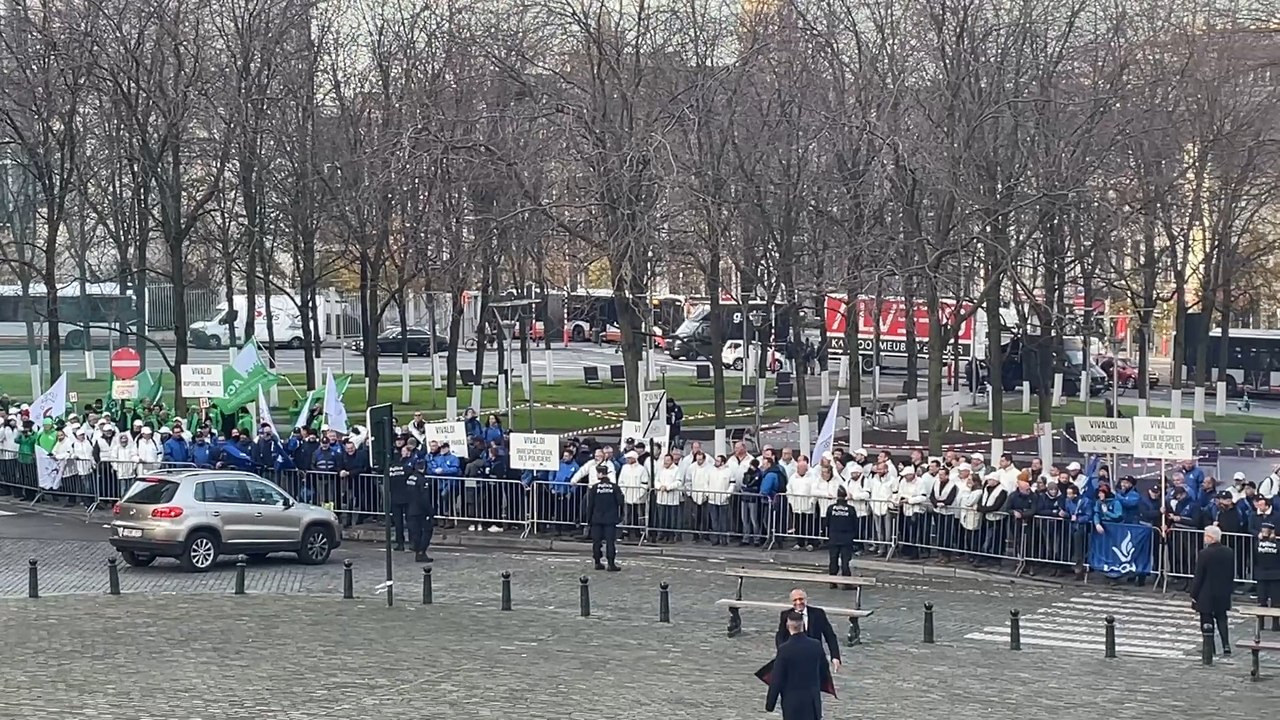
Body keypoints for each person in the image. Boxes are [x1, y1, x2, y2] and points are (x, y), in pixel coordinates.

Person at [765, 611, 831, 720]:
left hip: (792, 703)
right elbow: (824, 670)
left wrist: (770, 704)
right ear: (803, 625)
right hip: (812, 702)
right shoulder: (815, 645)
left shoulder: (785, 649)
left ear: (788, 626)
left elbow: (777, 678)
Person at [1190, 524, 1236, 656]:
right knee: (1222, 618)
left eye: (1206, 536)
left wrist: (1194, 594)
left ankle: (1210, 647)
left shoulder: (1204, 554)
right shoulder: (1229, 552)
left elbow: (1199, 576)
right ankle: (1226, 645)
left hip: (1206, 592)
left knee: (1206, 619)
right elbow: (1231, 573)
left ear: (1211, 538)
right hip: (1223, 591)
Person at [774, 589, 841, 670]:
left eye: (801, 599)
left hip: (815, 657)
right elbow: (780, 636)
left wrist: (835, 656)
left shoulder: (818, 613)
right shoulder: (785, 615)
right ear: (791, 601)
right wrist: (782, 654)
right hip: (795, 658)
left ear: (806, 599)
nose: (798, 602)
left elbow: (830, 635)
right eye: (795, 600)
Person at [585, 463, 624, 571]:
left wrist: (588, 519)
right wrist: (620, 516)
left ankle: (597, 562)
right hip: (610, 518)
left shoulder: (595, 488)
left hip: (596, 518)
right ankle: (611, 564)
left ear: (600, 474)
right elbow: (620, 502)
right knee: (610, 542)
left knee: (596, 542)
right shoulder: (614, 487)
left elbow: (590, 505)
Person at [825, 486, 857, 588]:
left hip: (834, 537)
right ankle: (846, 583)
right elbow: (855, 524)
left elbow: (827, 523)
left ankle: (832, 581)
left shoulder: (831, 508)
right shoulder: (851, 509)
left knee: (833, 560)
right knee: (845, 561)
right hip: (846, 538)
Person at [406, 458, 436, 563]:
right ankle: (421, 552)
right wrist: (430, 511)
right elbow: (424, 498)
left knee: (416, 532)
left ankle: (417, 551)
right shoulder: (422, 480)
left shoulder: (410, 478)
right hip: (420, 510)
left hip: (410, 509)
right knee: (427, 531)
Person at [1255, 522, 1280, 631]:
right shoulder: (1277, 545)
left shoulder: (1257, 544)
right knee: (1276, 601)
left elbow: (1254, 558)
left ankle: (1260, 624)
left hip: (1261, 574)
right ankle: (1275, 624)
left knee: (1261, 600)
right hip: (1275, 575)